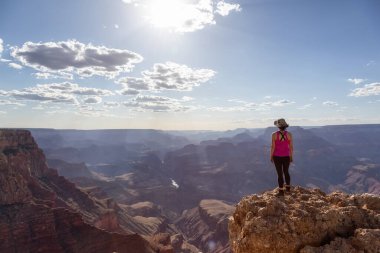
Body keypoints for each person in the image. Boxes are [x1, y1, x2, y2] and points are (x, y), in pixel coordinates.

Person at [270, 118, 293, 196]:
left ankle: (281, 191)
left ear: (278, 126)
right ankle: (288, 188)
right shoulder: (289, 134)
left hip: (277, 156)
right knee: (286, 172)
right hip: (286, 156)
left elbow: (273, 147)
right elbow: (291, 147)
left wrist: (271, 156)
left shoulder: (274, 135)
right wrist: (291, 156)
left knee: (279, 174)